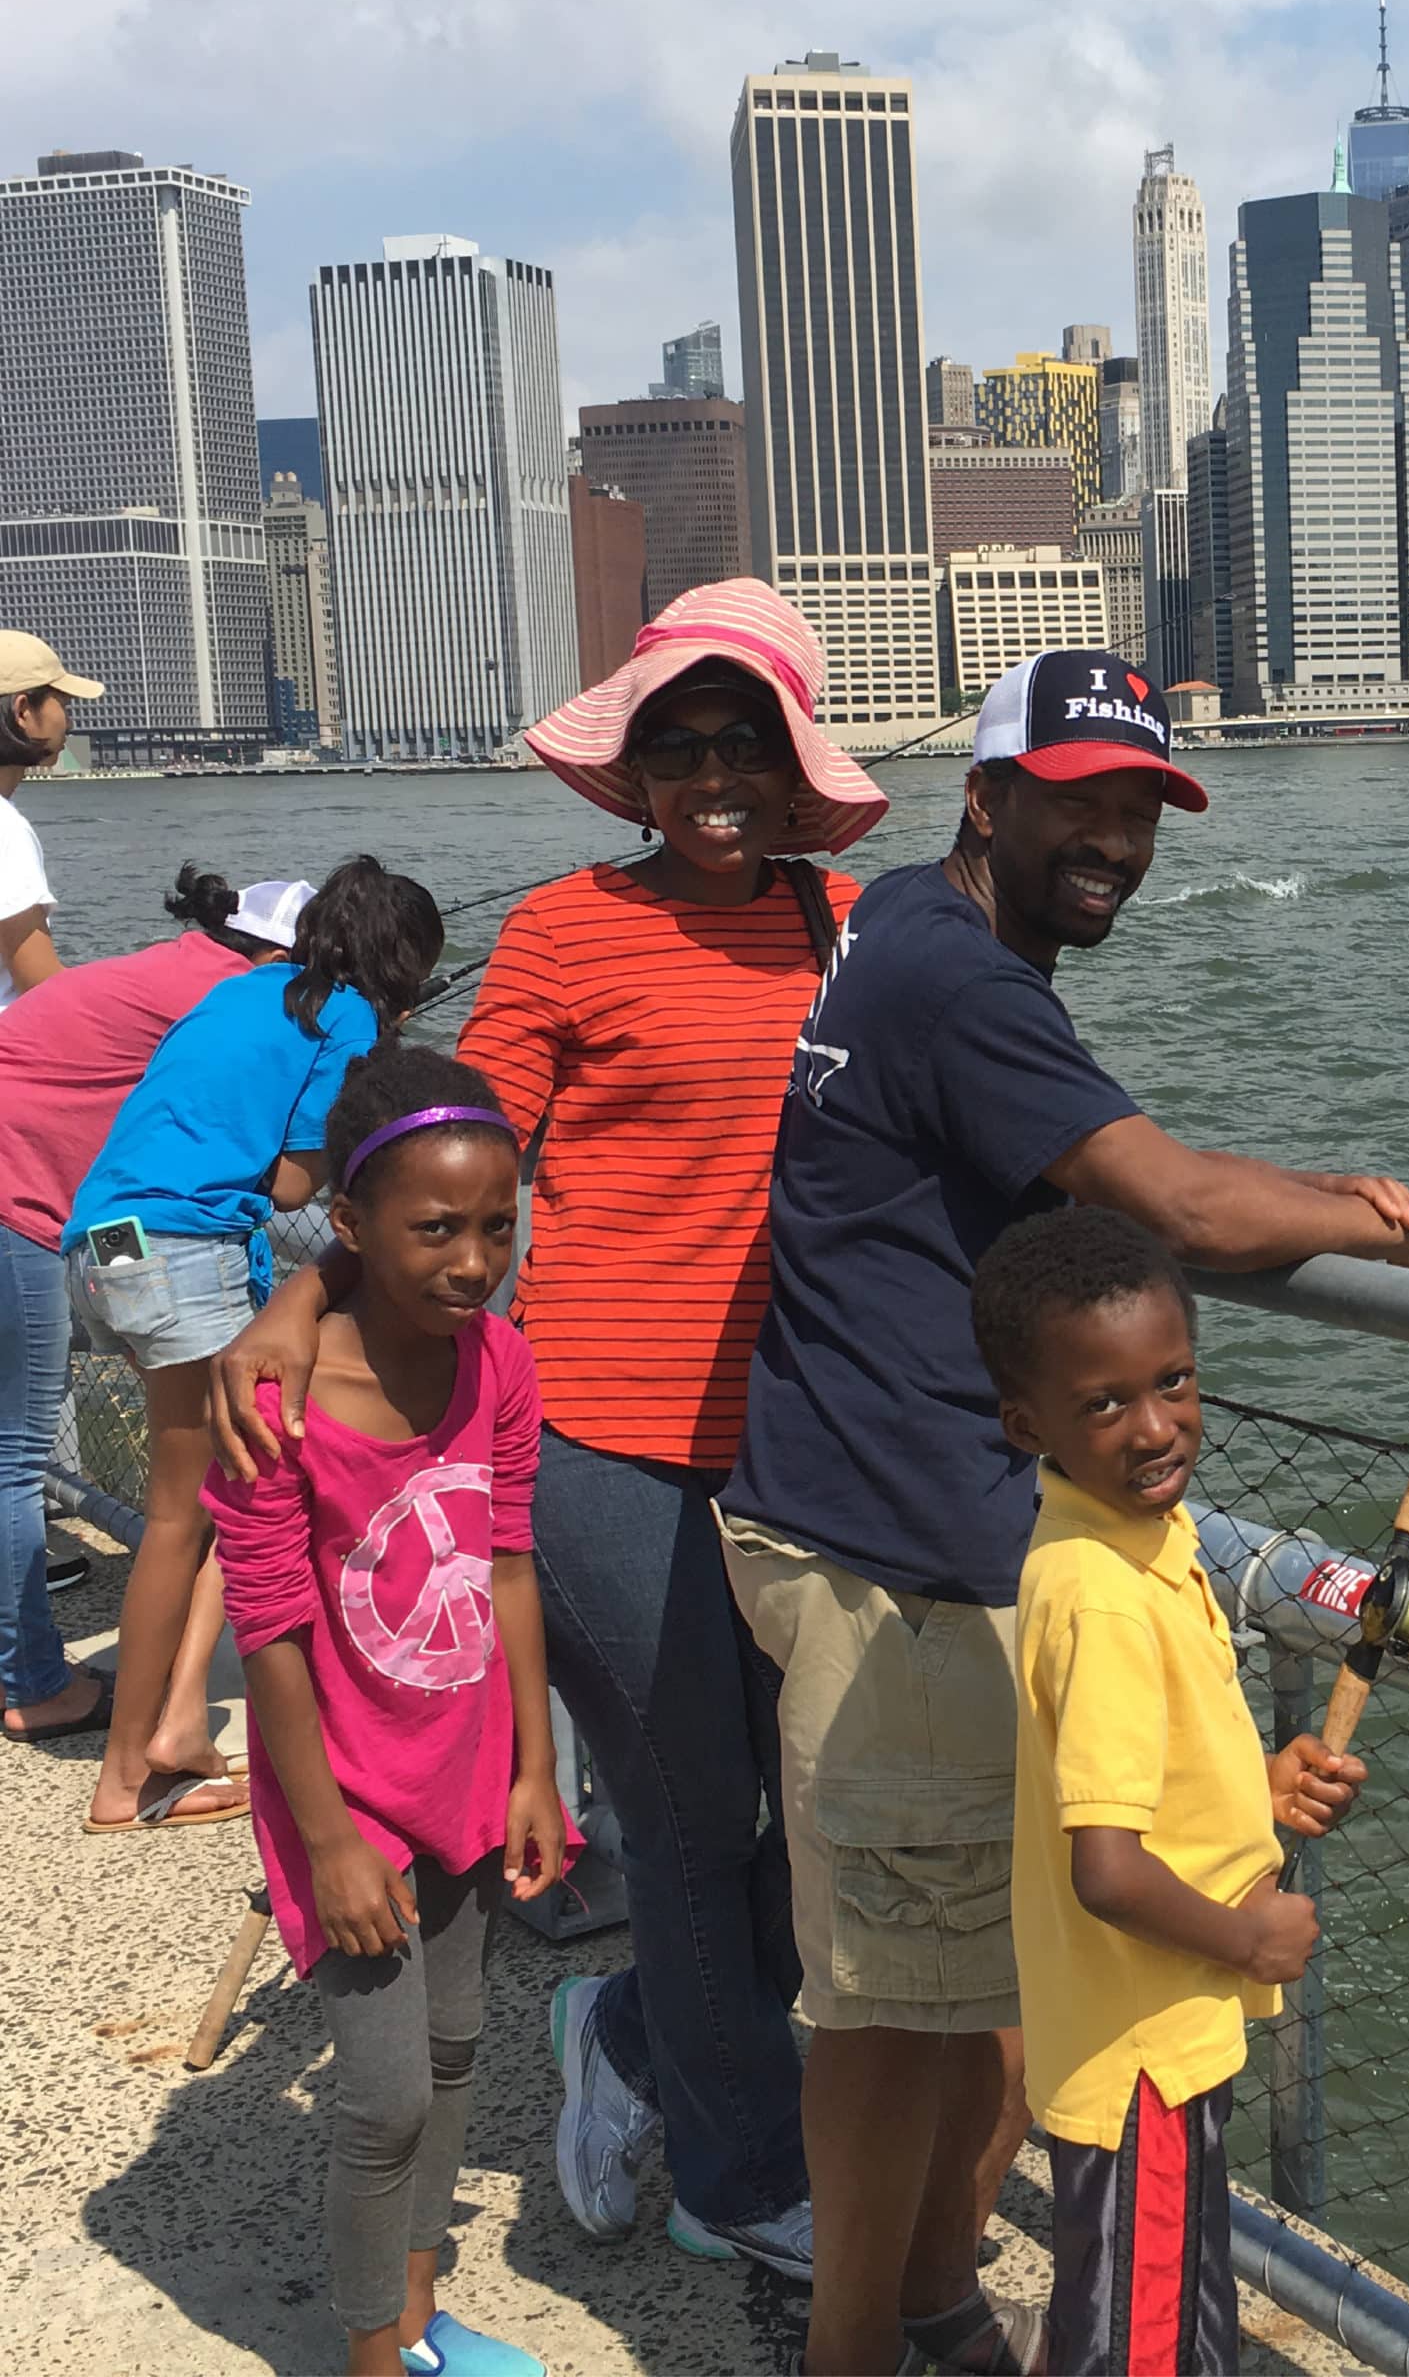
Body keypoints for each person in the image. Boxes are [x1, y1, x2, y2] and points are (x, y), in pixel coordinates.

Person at [716, 647, 1409, 2377]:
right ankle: (862, 2343)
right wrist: (1400, 1232)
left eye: (1141, 810)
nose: (1119, 841)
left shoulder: (912, 931)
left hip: (869, 1512)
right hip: (897, 1553)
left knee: (965, 1973)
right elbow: (1183, 1213)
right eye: (1081, 802)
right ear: (985, 799)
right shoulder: (967, 984)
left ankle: (924, 2302)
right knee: (896, 1998)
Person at [207, 580, 888, 2280]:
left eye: (745, 742)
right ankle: (740, 2171)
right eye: (679, 744)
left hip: (795, 1447)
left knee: (829, 1815)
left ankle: (634, 2042)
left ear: (795, 766)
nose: (713, 773)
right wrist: (304, 1291)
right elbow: (433, 1126)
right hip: (594, 1434)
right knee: (680, 1813)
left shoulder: (850, 927)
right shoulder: (577, 930)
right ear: (637, 770)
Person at [201, 1044, 567, 2377]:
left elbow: (512, 1557)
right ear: (348, 1229)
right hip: (341, 1796)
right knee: (385, 2094)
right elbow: (272, 1634)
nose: (474, 1262)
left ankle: (417, 2318)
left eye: (498, 1226)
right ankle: (367, 2357)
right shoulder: (274, 1408)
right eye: (434, 1229)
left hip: (466, 1768)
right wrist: (333, 1837)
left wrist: (534, 1765)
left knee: (460, 2046)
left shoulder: (502, 1366)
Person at [973, 1206, 1363, 2376]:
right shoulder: (1099, 1592)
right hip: (1141, 2050)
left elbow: (1146, 1776)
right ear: (1024, 1421)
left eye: (1174, 1380)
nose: (1155, 1426)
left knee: (1174, 2314)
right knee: (1137, 2338)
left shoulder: (1135, 1535)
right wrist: (1249, 1934)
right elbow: (1108, 1866)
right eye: (1105, 1403)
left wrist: (1258, 1786)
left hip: (1159, 2036)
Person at [68, 854, 444, 1835]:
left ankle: (178, 1726)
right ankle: (126, 1776)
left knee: (248, 1472)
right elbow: (288, 1186)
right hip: (180, 1253)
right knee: (177, 1515)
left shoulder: (241, 992)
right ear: (400, 960)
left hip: (104, 1248)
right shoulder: (351, 1015)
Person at [0, 864, 314, 1742]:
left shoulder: (173, 971)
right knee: (18, 1457)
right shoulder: (236, 997)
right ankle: (31, 1683)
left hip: (63, 1212)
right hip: (17, 1196)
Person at [0, 630, 104, 1011]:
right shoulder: (6, 829)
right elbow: (38, 982)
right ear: (24, 710)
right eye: (61, 702)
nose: (69, 720)